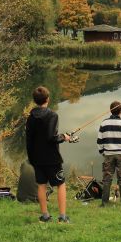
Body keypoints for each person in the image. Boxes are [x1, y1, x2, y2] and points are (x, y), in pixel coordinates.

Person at [25, 86, 73, 223]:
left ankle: (45, 216)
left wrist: (31, 158)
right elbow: (51, 137)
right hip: (52, 158)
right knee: (61, 184)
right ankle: (62, 217)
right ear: (47, 99)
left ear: (35, 100)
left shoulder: (30, 116)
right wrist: (64, 136)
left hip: (36, 158)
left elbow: (29, 139)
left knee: (41, 185)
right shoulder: (52, 115)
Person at [97, 101, 121, 206]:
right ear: (120, 111)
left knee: (107, 178)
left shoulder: (103, 123)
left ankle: (104, 202)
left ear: (110, 110)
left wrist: (102, 152)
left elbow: (99, 141)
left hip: (108, 154)